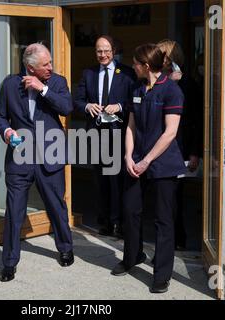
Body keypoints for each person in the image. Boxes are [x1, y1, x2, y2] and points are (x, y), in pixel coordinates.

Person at [0, 43, 74, 282]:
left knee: (56, 206)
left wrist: (43, 89)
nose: (51, 67)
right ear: (30, 67)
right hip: (20, 159)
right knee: (14, 212)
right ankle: (9, 263)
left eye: (50, 62)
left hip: (50, 156)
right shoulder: (9, 84)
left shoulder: (57, 82)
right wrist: (7, 132)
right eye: (45, 64)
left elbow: (67, 108)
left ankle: (65, 248)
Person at [111, 44, 186, 294]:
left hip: (162, 164)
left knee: (163, 220)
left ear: (145, 66)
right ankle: (132, 257)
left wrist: (147, 160)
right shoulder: (137, 88)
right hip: (136, 161)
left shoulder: (171, 91)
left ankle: (161, 274)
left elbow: (170, 132)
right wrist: (128, 156)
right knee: (130, 210)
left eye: (135, 63)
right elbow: (130, 126)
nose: (132, 66)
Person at [74, 35, 135, 238]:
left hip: (118, 133)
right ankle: (105, 221)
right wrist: (87, 106)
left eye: (106, 50)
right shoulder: (89, 73)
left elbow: (135, 101)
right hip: (96, 133)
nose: (103, 54)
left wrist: (119, 106)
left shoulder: (127, 73)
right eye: (99, 51)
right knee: (100, 179)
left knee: (117, 179)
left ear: (114, 50)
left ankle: (119, 222)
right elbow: (77, 100)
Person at [157, 40, 204, 250]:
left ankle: (179, 239)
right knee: (165, 198)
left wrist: (195, 152)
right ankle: (168, 238)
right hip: (160, 148)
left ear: (172, 60)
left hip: (181, 147)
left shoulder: (188, 85)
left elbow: (196, 121)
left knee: (176, 197)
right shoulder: (159, 82)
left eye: (162, 56)